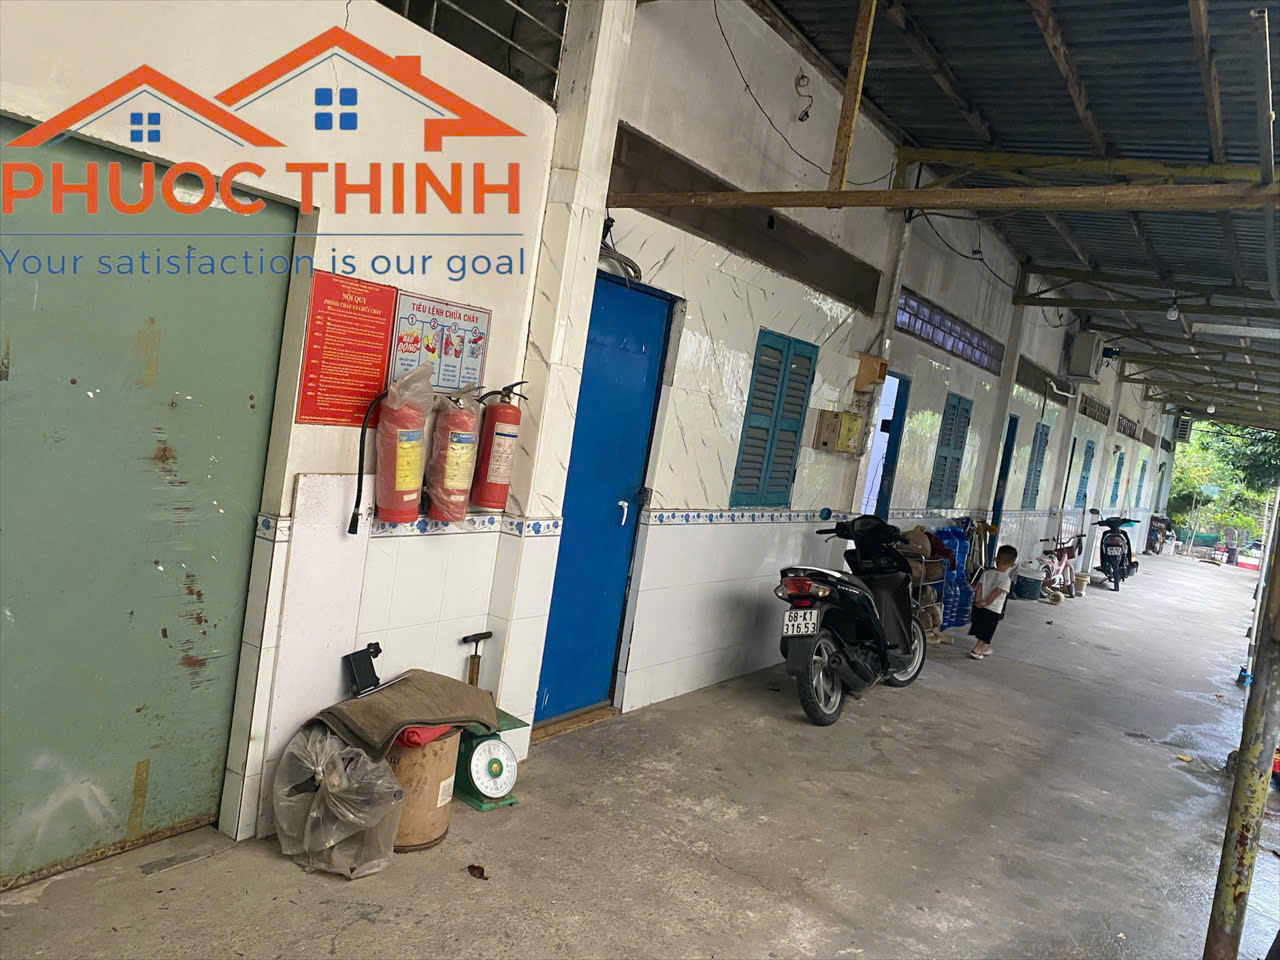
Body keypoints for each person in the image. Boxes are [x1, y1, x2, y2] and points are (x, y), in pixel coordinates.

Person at [968, 545, 1017, 661]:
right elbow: (997, 592)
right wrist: (986, 602)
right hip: (993, 609)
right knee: (987, 631)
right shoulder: (1006, 580)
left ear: (996, 559)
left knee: (981, 626)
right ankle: (977, 650)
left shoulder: (987, 573)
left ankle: (984, 647)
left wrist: (978, 601)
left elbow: (979, 587)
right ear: (1012, 565)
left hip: (980, 606)